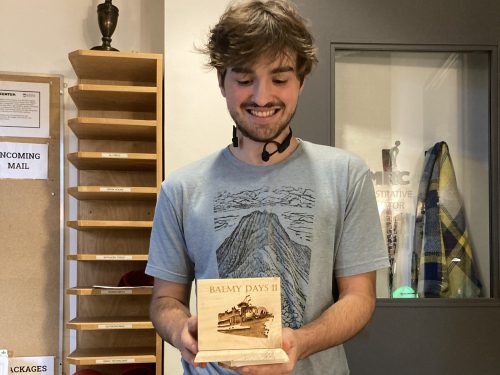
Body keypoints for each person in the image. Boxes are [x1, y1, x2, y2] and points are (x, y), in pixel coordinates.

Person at [145, 1, 389, 374]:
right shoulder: (179, 188)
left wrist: (300, 342)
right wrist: (181, 330)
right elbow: (165, 299)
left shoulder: (345, 175)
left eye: (280, 78)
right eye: (244, 80)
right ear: (221, 81)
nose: (262, 97)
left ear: (301, 81)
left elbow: (360, 296)